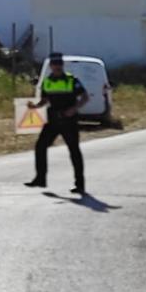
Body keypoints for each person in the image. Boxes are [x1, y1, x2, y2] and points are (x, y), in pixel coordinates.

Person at [24, 52, 87, 195]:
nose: (57, 67)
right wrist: (35, 106)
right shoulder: (47, 81)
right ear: (51, 66)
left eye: (59, 64)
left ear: (62, 65)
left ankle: (80, 184)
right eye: (55, 64)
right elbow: (45, 100)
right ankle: (40, 178)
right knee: (40, 146)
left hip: (69, 120)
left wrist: (74, 109)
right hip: (53, 120)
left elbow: (85, 97)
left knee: (74, 151)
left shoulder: (72, 80)